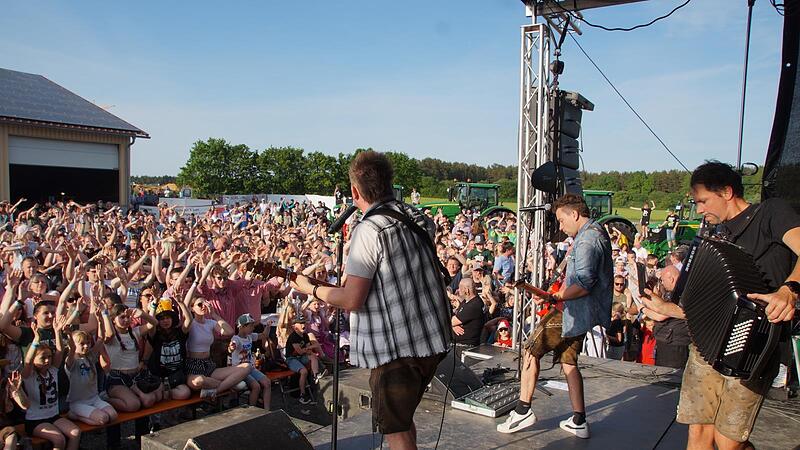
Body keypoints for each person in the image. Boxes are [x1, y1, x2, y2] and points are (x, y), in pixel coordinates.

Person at [291, 151, 451, 450]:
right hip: (431, 341)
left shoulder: (368, 230)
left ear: (354, 191)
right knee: (402, 420)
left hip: (396, 351)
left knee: (394, 430)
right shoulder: (416, 216)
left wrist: (310, 289)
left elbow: (352, 299)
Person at [668, 161, 799, 449]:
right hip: (707, 345)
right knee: (699, 432)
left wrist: (790, 290)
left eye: (703, 201)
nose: (700, 209)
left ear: (727, 191)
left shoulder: (770, 213)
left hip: (753, 347)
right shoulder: (718, 236)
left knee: (728, 441)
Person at [498, 194, 611, 439]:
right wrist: (555, 294)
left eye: (561, 220)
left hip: (571, 311)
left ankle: (523, 409)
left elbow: (583, 284)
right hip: (580, 313)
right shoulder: (595, 233)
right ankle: (579, 419)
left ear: (575, 214)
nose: (560, 226)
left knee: (530, 350)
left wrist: (555, 298)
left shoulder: (587, 241)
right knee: (569, 361)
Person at [229, 313, 271, 409]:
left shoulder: (250, 336)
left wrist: (268, 326)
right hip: (240, 370)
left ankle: (267, 410)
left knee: (267, 383)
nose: (253, 327)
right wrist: (231, 347)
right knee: (256, 386)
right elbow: (231, 347)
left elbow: (264, 335)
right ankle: (252, 412)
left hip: (250, 368)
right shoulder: (236, 338)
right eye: (251, 325)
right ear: (242, 327)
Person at [285, 316, 322, 405]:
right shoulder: (293, 336)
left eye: (304, 323)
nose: (303, 325)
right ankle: (302, 395)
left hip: (301, 357)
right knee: (304, 372)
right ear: (294, 326)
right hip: (291, 359)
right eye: (301, 323)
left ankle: (315, 375)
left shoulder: (305, 335)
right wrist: (309, 348)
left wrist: (310, 350)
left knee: (313, 357)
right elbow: (300, 351)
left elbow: (308, 350)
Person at [451, 278, 484, 348]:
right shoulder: (466, 301)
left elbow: (450, 322)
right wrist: (453, 326)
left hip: (465, 346)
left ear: (466, 290)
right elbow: (453, 321)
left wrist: (452, 324)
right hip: (457, 343)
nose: (458, 290)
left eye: (460, 288)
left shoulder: (474, 305)